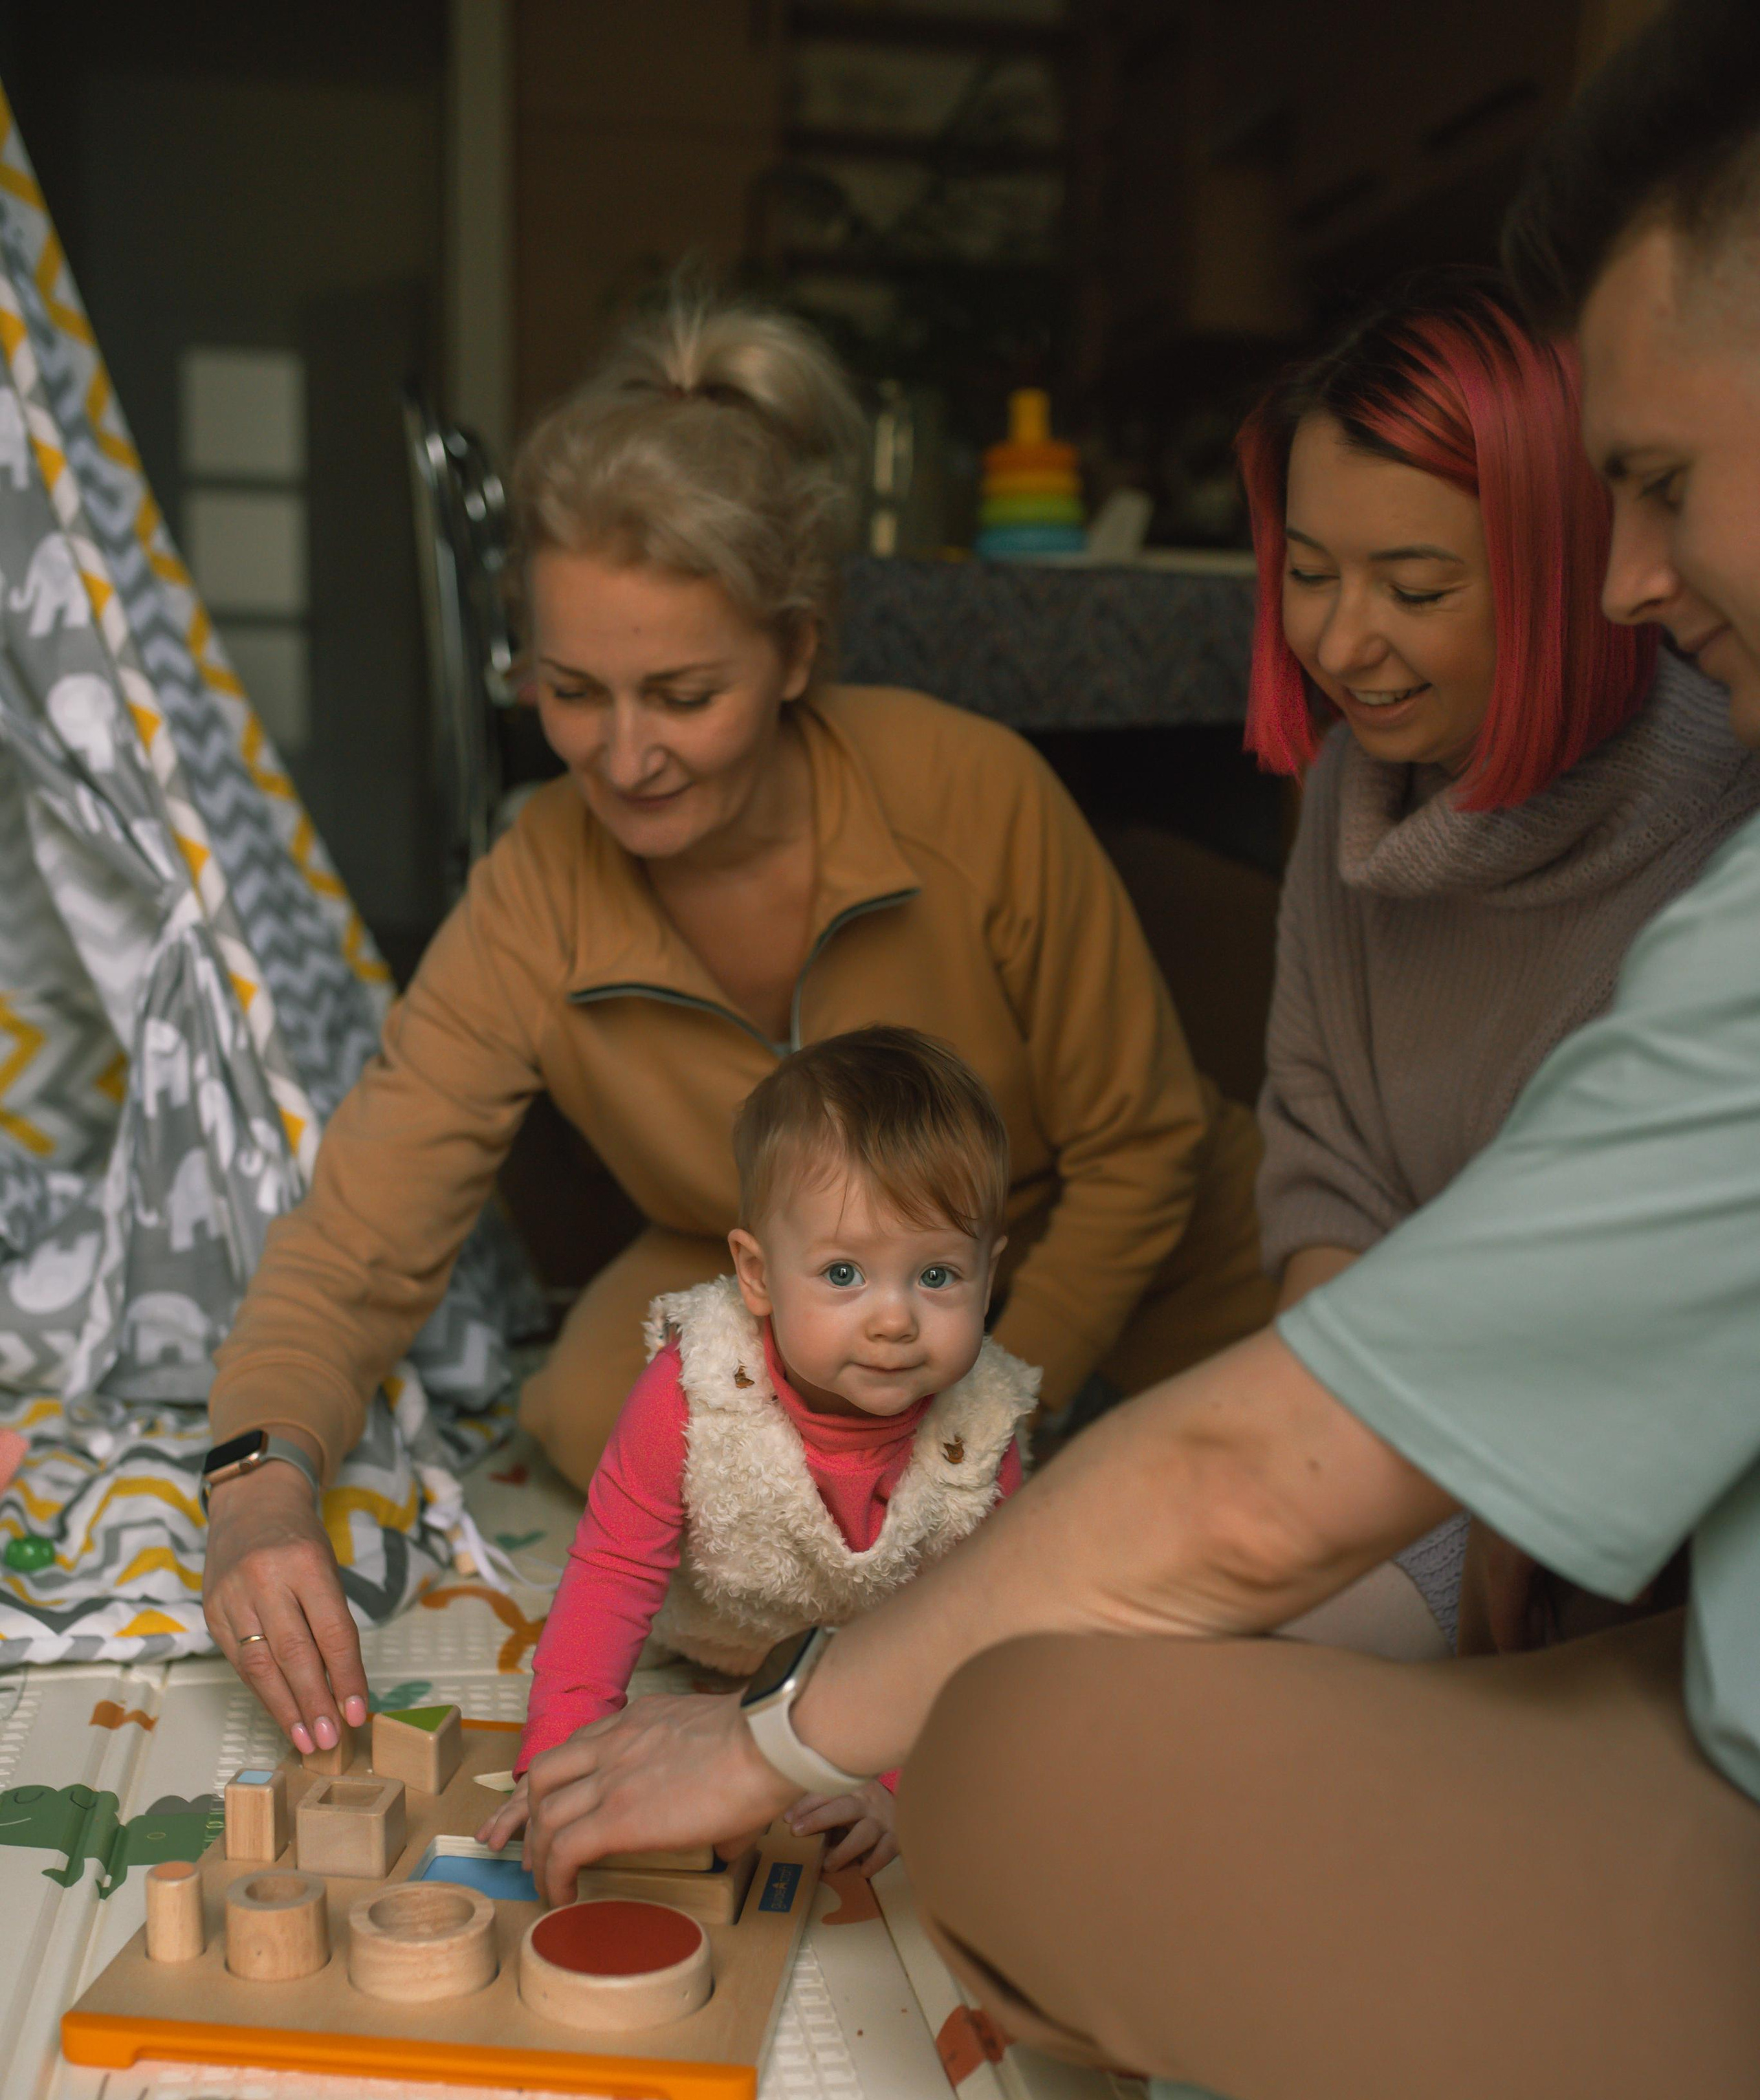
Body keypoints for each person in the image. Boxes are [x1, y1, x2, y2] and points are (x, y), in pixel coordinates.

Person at [502, 0, 1760, 2100]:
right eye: (575, 696)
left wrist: (816, 1689)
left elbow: (1205, 1278)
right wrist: (267, 1459)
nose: (1634, 580)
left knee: (1024, 1727)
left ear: (793, 652)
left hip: (1550, 1526)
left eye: (1660, 493)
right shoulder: (1350, 815)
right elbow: (1329, 1196)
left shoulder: (1701, 866)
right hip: (1431, 1449)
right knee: (997, 1606)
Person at [202, 289, 1269, 1764]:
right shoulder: (535, 884)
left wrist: (967, 1428)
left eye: (683, 694)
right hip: (810, 1287)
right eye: (571, 692)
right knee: (593, 1395)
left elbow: (1145, 1150)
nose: (623, 755)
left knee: (1241, 1574)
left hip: (1123, 1255)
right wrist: (257, 1490)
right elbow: (360, 1240)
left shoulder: (975, 791)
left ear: (797, 651)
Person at [1240, 270, 1760, 1646]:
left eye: (1414, 587)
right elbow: (1331, 1181)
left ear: (1568, 575)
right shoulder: (1352, 792)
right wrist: (1304, 1491)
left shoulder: (1724, 826)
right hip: (1394, 1417)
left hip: (1620, 1483)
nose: (1340, 641)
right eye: (1308, 573)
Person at [495, 1028, 1035, 1877]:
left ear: (988, 1275)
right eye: (844, 1274)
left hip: (875, 1672)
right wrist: (558, 1756)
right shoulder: (696, 1386)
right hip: (721, 1642)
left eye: (937, 1277)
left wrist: (893, 1782)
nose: (895, 1320)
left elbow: (972, 1630)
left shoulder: (983, 1435)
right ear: (756, 1275)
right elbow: (611, 1570)